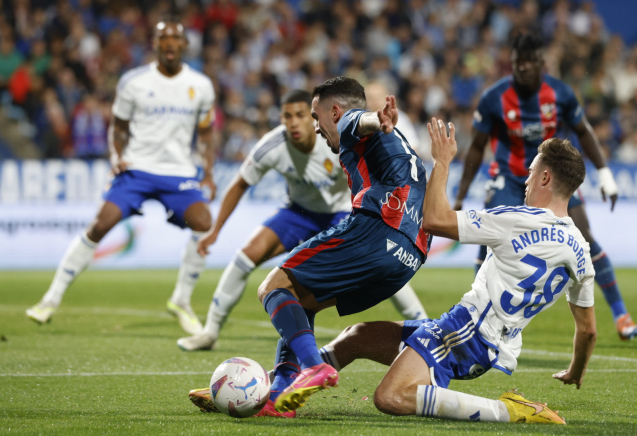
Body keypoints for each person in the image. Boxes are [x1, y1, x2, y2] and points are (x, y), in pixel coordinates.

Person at [188, 122, 597, 425]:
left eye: (530, 173)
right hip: (483, 338)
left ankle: (508, 411)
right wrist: (575, 371)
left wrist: (442, 162)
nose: (525, 180)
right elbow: (588, 330)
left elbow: (434, 220)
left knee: (391, 397)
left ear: (545, 177)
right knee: (357, 337)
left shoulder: (518, 219)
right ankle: (270, 391)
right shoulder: (581, 250)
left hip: (466, 334)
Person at [176, 89, 428, 351]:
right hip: (299, 213)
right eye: (287, 116)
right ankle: (210, 332)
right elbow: (239, 184)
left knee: (378, 258)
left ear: (312, 119)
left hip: (342, 212)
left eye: (300, 115)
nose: (294, 122)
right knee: (246, 255)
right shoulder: (272, 146)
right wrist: (215, 231)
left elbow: (362, 128)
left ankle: (422, 324)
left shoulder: (332, 136)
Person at [254, 77, 432, 416]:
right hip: (411, 255)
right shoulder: (400, 143)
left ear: (333, 111)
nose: (316, 127)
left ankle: (313, 367)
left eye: (315, 116)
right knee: (302, 297)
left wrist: (374, 118)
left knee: (273, 286)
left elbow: (359, 120)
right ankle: (280, 394)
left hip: (376, 230)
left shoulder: (349, 120)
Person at [26, 21, 216, 335]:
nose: (169, 44)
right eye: (163, 38)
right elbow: (117, 127)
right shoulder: (134, 81)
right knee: (101, 224)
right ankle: (50, 298)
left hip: (179, 172)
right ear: (154, 43)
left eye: (175, 39)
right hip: (137, 169)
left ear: (184, 45)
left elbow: (207, 134)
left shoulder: (201, 85)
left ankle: (181, 301)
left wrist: (207, 172)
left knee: (204, 222)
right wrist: (116, 157)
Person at [454, 33, 637, 341]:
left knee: (585, 239)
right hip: (510, 177)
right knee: (489, 239)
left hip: (553, 179)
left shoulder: (560, 94)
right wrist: (460, 195)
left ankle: (621, 315)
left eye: (529, 62)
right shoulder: (494, 97)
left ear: (542, 63)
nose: (523, 68)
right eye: (518, 62)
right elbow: (476, 147)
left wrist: (606, 174)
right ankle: (477, 321)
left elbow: (584, 131)